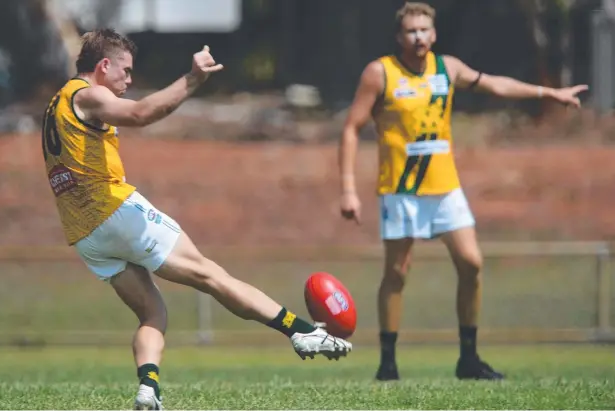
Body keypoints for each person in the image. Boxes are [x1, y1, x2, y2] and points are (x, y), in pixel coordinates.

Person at [41, 28, 352, 410]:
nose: (130, 79)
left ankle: (147, 388)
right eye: (126, 70)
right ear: (103, 66)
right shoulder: (89, 94)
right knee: (211, 275)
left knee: (152, 312)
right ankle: (302, 332)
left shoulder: (56, 102)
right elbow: (141, 113)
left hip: (85, 233)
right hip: (116, 211)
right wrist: (193, 79)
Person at [338, 2, 587, 381]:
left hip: (445, 187)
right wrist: (348, 190)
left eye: (424, 30)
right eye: (411, 31)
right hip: (401, 190)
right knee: (397, 273)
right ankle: (388, 365)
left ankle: (468, 359)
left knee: (472, 263)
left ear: (434, 34)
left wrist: (548, 93)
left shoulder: (447, 68)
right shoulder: (380, 73)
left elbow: (494, 84)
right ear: (399, 37)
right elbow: (350, 129)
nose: (418, 36)